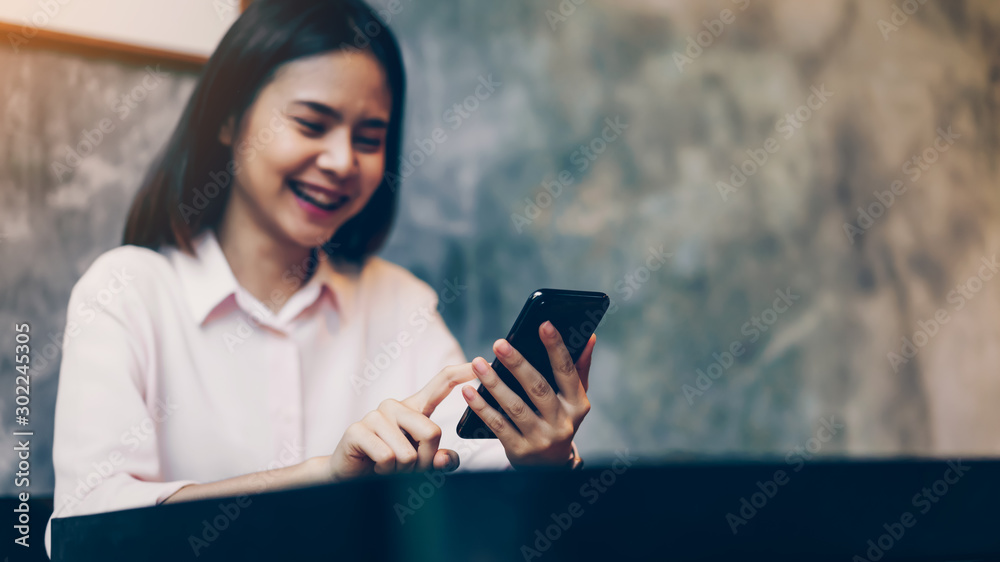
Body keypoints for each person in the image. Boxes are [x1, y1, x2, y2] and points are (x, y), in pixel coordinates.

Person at [45, 0, 595, 556]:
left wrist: (545, 460)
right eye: (311, 123)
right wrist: (323, 479)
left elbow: (482, 489)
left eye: (369, 137)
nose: (341, 161)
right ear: (228, 119)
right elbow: (85, 529)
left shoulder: (400, 303)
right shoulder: (127, 291)